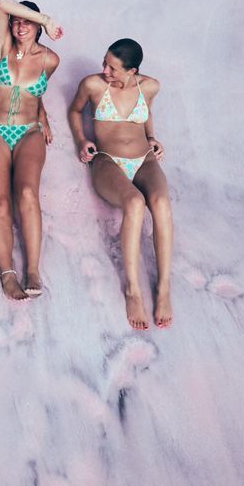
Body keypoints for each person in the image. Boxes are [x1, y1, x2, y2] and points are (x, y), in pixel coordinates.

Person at [67, 38, 173, 329]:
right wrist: (82, 140)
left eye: (113, 68)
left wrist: (152, 138)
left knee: (162, 203)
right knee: (135, 203)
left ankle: (163, 288)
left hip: (144, 160)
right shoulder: (93, 85)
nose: (105, 70)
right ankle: (133, 290)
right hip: (107, 160)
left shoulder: (150, 86)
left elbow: (147, 113)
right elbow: (75, 111)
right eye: (104, 63)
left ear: (132, 70)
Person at [0, 0, 63, 300]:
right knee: (0, 203)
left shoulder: (50, 60)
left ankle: (33, 269)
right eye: (17, 21)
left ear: (37, 28)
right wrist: (45, 17)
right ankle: (7, 273)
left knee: (26, 194)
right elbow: (0, 4)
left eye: (28, 22)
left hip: (28, 133)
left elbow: (35, 96)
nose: (21, 26)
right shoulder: (0, 50)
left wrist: (43, 117)